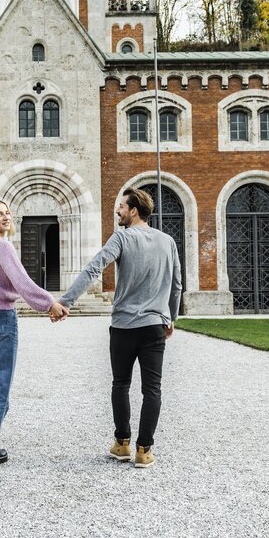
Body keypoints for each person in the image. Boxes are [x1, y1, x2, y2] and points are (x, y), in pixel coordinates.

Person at [58, 187, 181, 468]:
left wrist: (66, 301)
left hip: (124, 326)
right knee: (152, 389)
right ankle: (144, 451)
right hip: (154, 326)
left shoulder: (122, 238)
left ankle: (122, 443)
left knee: (120, 384)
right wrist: (171, 317)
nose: (118, 211)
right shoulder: (167, 242)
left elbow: (93, 268)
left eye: (121, 207)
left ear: (134, 210)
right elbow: (177, 285)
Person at [0, 199, 69, 467]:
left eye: (8, 213)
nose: (6, 217)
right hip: (0, 317)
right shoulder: (2, 246)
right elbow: (22, 281)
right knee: (1, 382)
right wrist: (49, 303)